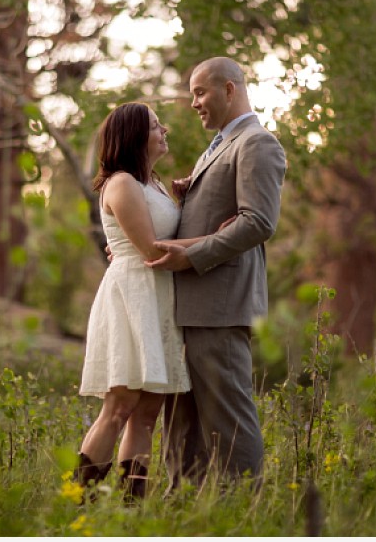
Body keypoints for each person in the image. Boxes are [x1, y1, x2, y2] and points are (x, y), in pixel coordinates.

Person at [145, 57, 287, 486]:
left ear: (229, 90)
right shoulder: (222, 144)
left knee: (229, 418)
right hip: (190, 305)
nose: (193, 104)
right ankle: (185, 510)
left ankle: (244, 511)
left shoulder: (258, 143)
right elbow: (220, 212)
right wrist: (187, 199)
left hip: (221, 305)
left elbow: (258, 222)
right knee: (181, 424)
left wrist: (192, 255)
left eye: (201, 92)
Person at [75, 101, 195, 502]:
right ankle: (78, 504)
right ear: (133, 136)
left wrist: (180, 198)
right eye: (156, 126)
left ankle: (130, 510)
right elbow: (150, 249)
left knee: (147, 414)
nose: (165, 132)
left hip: (159, 299)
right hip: (132, 297)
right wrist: (218, 238)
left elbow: (154, 230)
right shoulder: (122, 182)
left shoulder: (152, 184)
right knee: (119, 408)